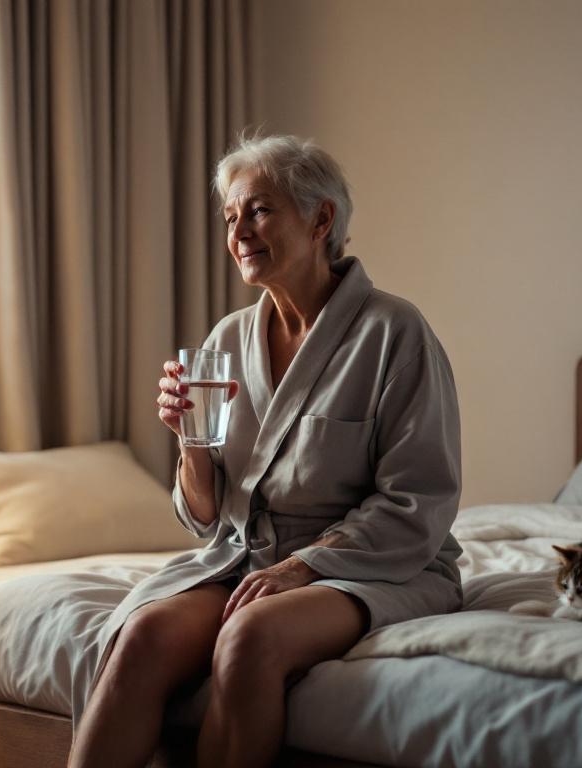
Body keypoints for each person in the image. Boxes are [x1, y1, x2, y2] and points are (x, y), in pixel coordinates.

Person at [68, 135, 463, 768]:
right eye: (230, 217)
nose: (240, 231)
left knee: (248, 637)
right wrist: (189, 442)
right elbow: (204, 517)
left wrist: (302, 566)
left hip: (381, 566)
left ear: (320, 219)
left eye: (259, 210)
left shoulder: (395, 333)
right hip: (252, 562)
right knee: (140, 635)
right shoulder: (228, 338)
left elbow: (418, 504)